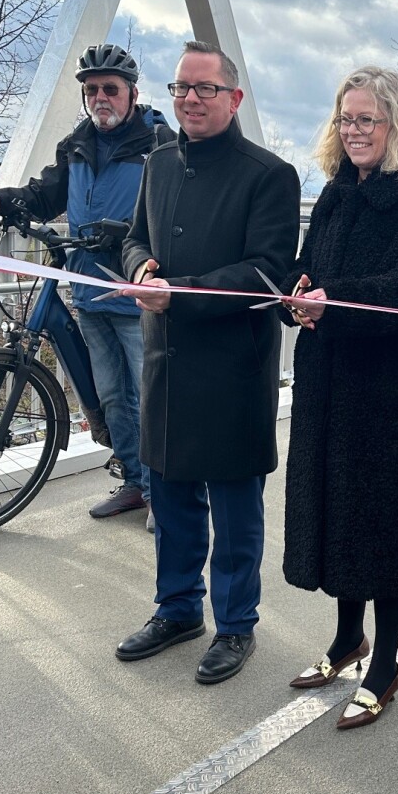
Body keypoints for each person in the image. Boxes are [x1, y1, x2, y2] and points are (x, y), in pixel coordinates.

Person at [283, 68, 398, 726]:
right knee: (335, 514)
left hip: (390, 392)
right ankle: (344, 639)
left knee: (382, 521)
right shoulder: (335, 193)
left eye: (367, 120)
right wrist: (298, 296)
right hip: (328, 379)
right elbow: (307, 267)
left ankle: (385, 663)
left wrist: (338, 302)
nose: (353, 131)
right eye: (345, 119)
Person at [116, 40, 300, 684]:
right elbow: (134, 236)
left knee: (234, 509)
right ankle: (177, 610)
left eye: (205, 90)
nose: (191, 100)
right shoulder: (158, 164)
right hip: (166, 360)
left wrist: (181, 293)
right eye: (181, 89)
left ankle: (236, 626)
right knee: (170, 499)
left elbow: (267, 272)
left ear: (234, 98)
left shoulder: (269, 175)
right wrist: (139, 266)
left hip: (232, 368)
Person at [0, 44, 169, 519]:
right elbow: (45, 195)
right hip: (87, 286)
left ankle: (167, 496)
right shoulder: (77, 144)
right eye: (92, 89)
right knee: (112, 396)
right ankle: (135, 482)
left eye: (111, 89)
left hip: (137, 292)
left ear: (132, 93)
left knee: (150, 396)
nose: (101, 97)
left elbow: (179, 214)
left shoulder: (159, 144)